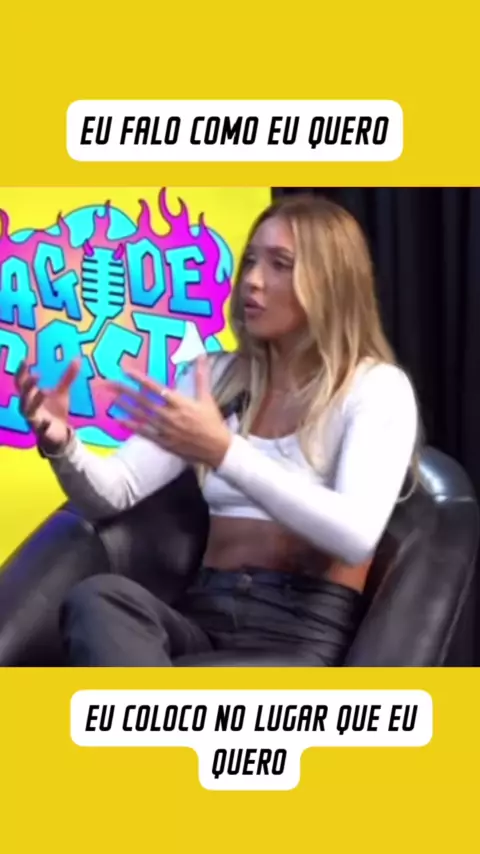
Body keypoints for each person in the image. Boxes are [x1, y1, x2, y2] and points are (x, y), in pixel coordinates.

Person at [15, 193, 420, 667]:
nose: (252, 280)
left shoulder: (374, 387)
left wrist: (225, 452)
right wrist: (63, 445)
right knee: (99, 599)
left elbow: (355, 536)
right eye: (250, 261)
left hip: (297, 636)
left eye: (279, 264)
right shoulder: (218, 376)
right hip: (205, 616)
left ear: (330, 282)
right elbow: (114, 491)